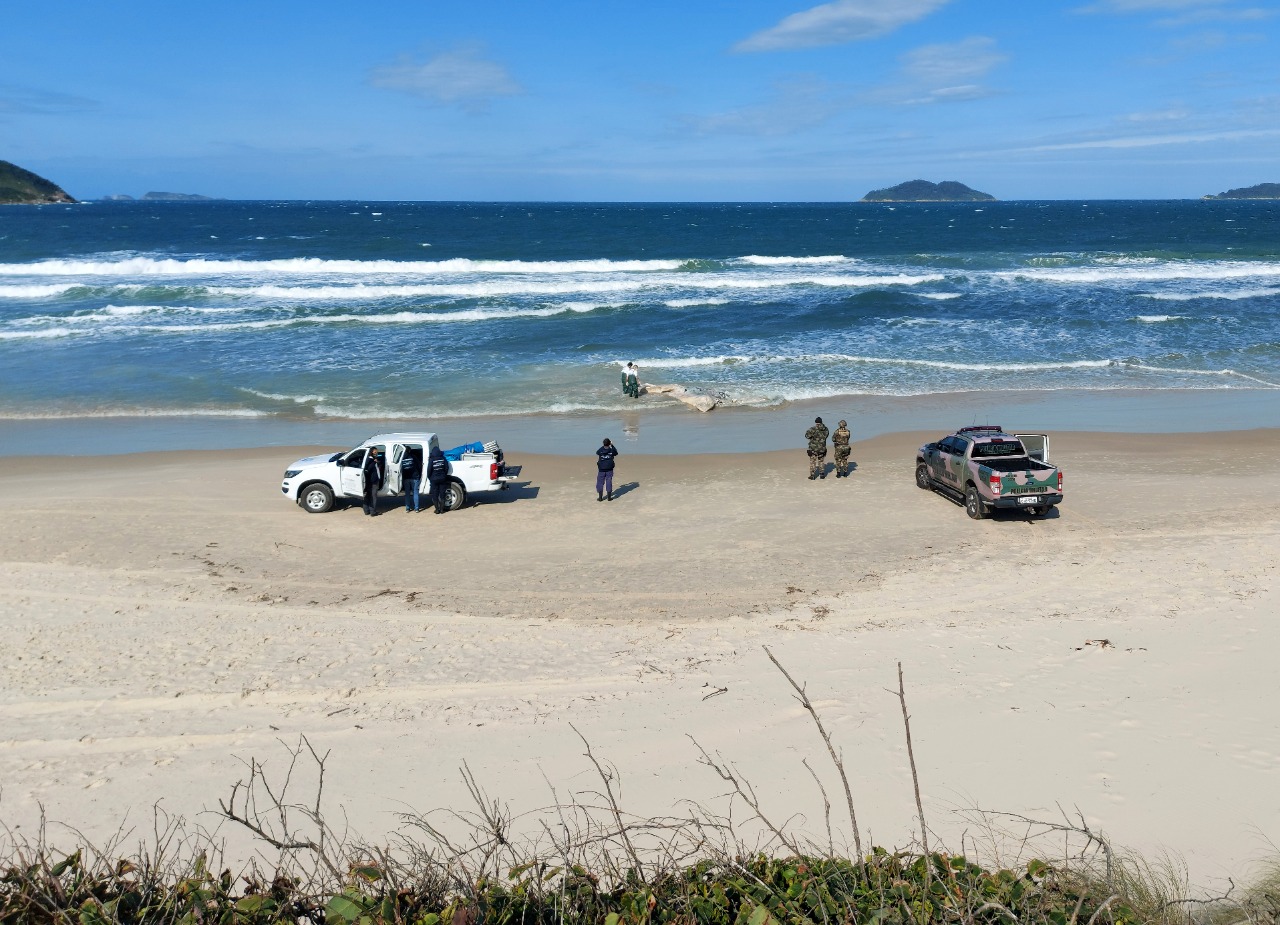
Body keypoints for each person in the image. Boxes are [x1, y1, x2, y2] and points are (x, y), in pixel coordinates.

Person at [426, 444, 450, 514]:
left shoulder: (432, 460)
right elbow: (446, 468)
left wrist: (429, 477)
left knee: (435, 495)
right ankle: (442, 510)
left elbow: (429, 470)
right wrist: (444, 475)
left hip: (434, 479)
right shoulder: (443, 459)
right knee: (442, 494)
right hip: (442, 478)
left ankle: (437, 509)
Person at [361, 447, 385, 516]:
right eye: (375, 452)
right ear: (371, 452)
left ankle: (366, 510)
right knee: (373, 496)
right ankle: (373, 512)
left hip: (370, 481)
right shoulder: (370, 460)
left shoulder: (371, 459)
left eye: (376, 452)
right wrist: (374, 462)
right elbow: (368, 469)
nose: (376, 453)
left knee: (368, 495)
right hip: (373, 481)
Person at [595, 437, 618, 501]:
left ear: (603, 444)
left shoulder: (601, 449)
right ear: (609, 443)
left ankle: (600, 497)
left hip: (601, 469)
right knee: (609, 481)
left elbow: (597, 452)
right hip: (609, 469)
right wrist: (612, 445)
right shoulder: (611, 450)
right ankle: (609, 497)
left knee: (600, 482)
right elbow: (616, 453)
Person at [400, 447, 422, 512]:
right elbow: (419, 466)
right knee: (415, 492)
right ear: (410, 451)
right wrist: (419, 475)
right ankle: (417, 508)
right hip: (415, 477)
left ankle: (407, 508)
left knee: (407, 494)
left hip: (406, 478)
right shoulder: (413, 457)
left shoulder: (401, 458)